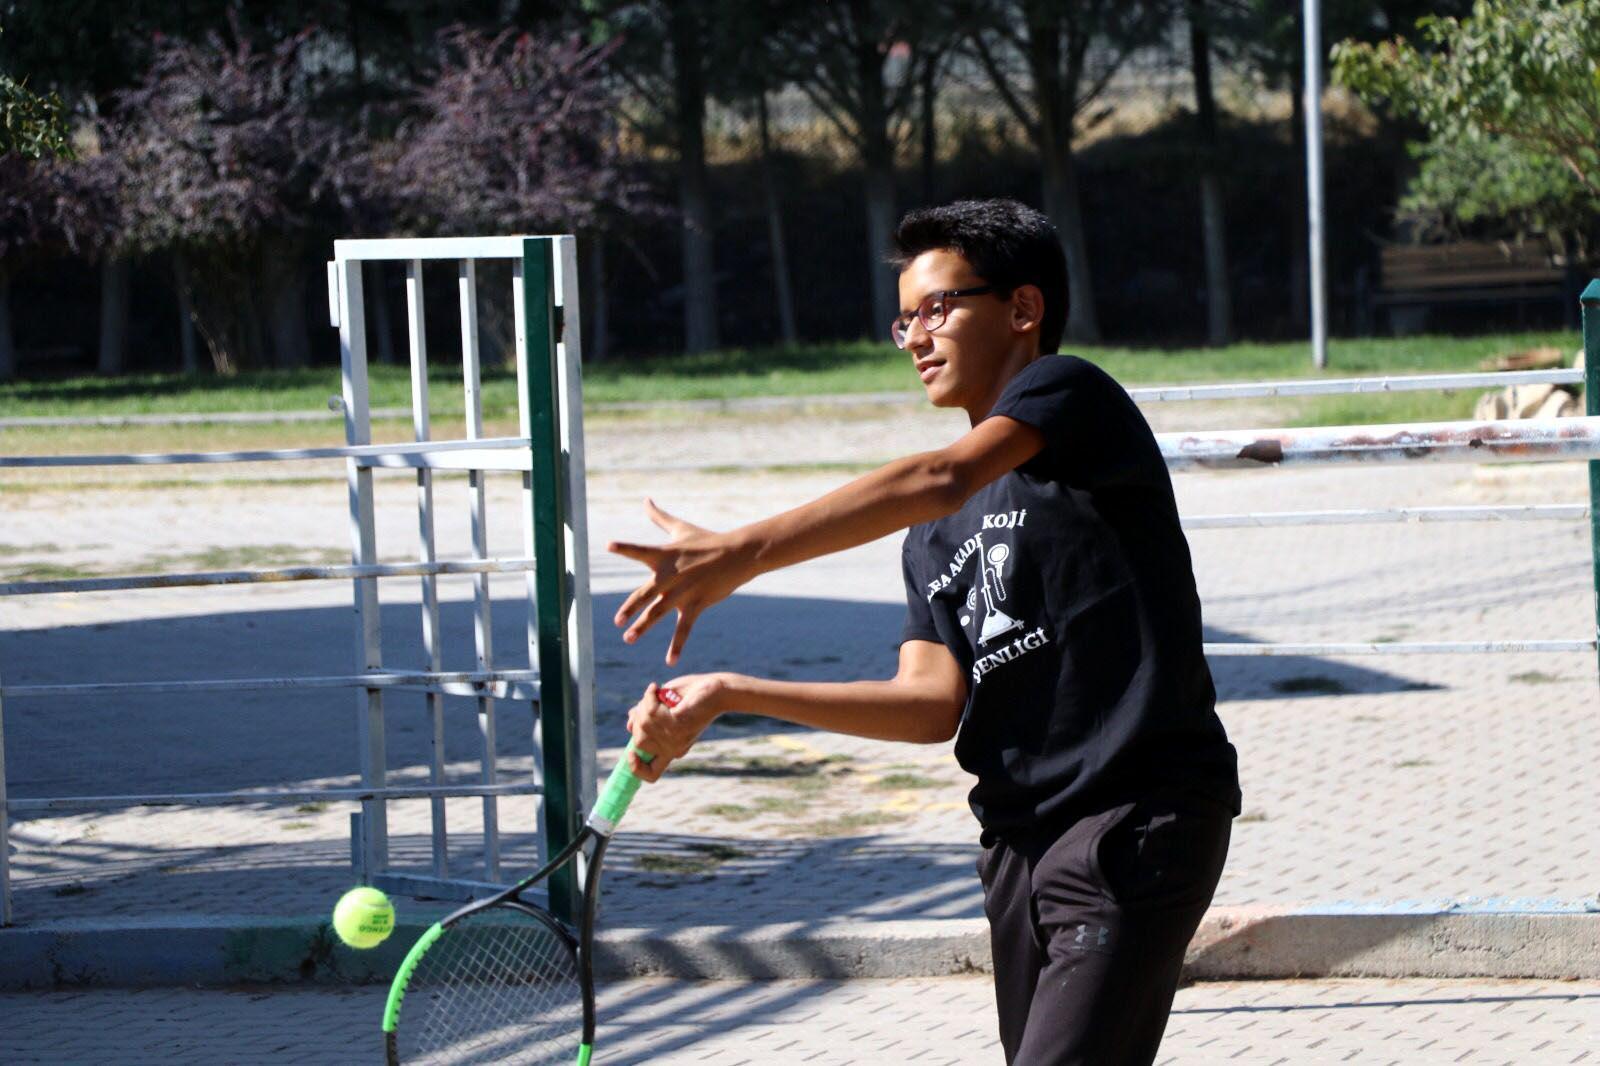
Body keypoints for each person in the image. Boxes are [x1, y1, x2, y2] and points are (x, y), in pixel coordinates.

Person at [608, 198, 1241, 1065]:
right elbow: (927, 703)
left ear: (1023, 309)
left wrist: (741, 551)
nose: (914, 336)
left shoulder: (1073, 398)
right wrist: (729, 693)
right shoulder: (931, 539)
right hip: (1018, 848)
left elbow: (943, 472)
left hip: (1136, 817)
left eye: (938, 308)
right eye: (903, 318)